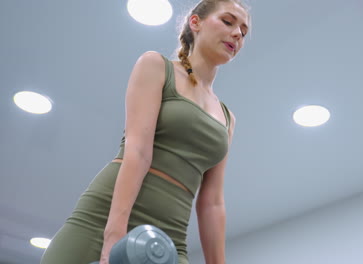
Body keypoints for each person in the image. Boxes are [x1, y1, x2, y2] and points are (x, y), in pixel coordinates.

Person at [40, 0, 250, 263]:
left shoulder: (228, 119)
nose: (237, 34)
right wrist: (113, 240)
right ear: (195, 22)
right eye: (228, 22)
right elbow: (138, 151)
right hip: (103, 221)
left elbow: (212, 203)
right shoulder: (157, 66)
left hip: (170, 237)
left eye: (243, 31)